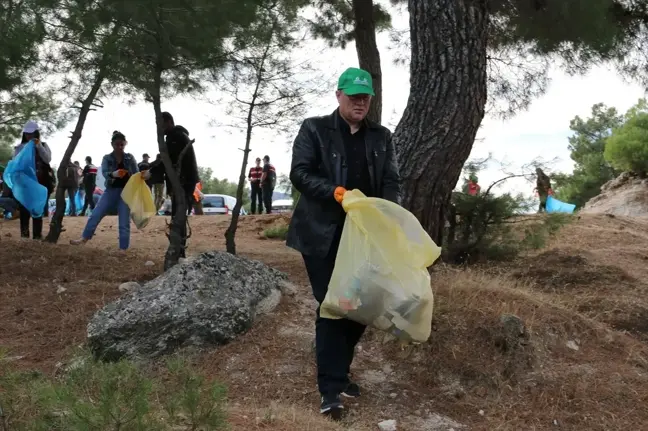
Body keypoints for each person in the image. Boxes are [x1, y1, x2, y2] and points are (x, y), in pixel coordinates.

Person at [285, 67, 400, 419]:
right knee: (334, 306)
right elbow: (300, 173)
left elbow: (392, 180)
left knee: (360, 307)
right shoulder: (314, 129)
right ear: (339, 96)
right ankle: (331, 390)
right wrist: (334, 192)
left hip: (364, 236)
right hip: (321, 234)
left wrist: (389, 214)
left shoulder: (382, 137)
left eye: (365, 98)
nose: (360, 103)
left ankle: (340, 369)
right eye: (353, 97)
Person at [70, 131, 138, 250]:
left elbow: (136, 173)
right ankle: (84, 238)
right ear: (112, 144)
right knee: (96, 214)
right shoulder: (107, 158)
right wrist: (113, 174)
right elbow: (105, 173)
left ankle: (123, 248)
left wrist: (135, 175)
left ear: (125, 144)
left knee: (124, 221)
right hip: (111, 190)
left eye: (122, 144)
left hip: (126, 192)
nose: (119, 147)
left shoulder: (130, 157)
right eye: (117, 144)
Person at [144, 112, 198, 257]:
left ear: (168, 122)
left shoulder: (175, 137)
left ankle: (179, 252)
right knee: (178, 215)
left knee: (178, 216)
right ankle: (179, 251)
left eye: (160, 124)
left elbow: (167, 162)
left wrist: (151, 172)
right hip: (183, 181)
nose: (159, 128)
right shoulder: (177, 136)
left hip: (183, 182)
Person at [13, 121, 54, 239]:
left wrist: (38, 146)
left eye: (31, 134)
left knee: (38, 209)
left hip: (40, 182)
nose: (29, 136)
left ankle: (37, 236)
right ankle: (24, 236)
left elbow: (47, 160)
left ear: (36, 133)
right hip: (25, 183)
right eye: (27, 134)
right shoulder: (19, 148)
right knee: (24, 209)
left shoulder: (43, 145)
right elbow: (15, 163)